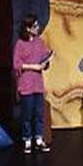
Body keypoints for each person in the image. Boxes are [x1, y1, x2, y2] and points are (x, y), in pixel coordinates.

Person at [13, 14, 53, 154]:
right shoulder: (20, 44)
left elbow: (44, 58)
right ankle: (27, 140)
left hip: (38, 84)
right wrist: (33, 67)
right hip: (26, 85)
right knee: (27, 115)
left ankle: (39, 139)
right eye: (35, 26)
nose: (38, 28)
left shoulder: (39, 42)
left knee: (39, 114)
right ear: (28, 28)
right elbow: (17, 64)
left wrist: (46, 62)